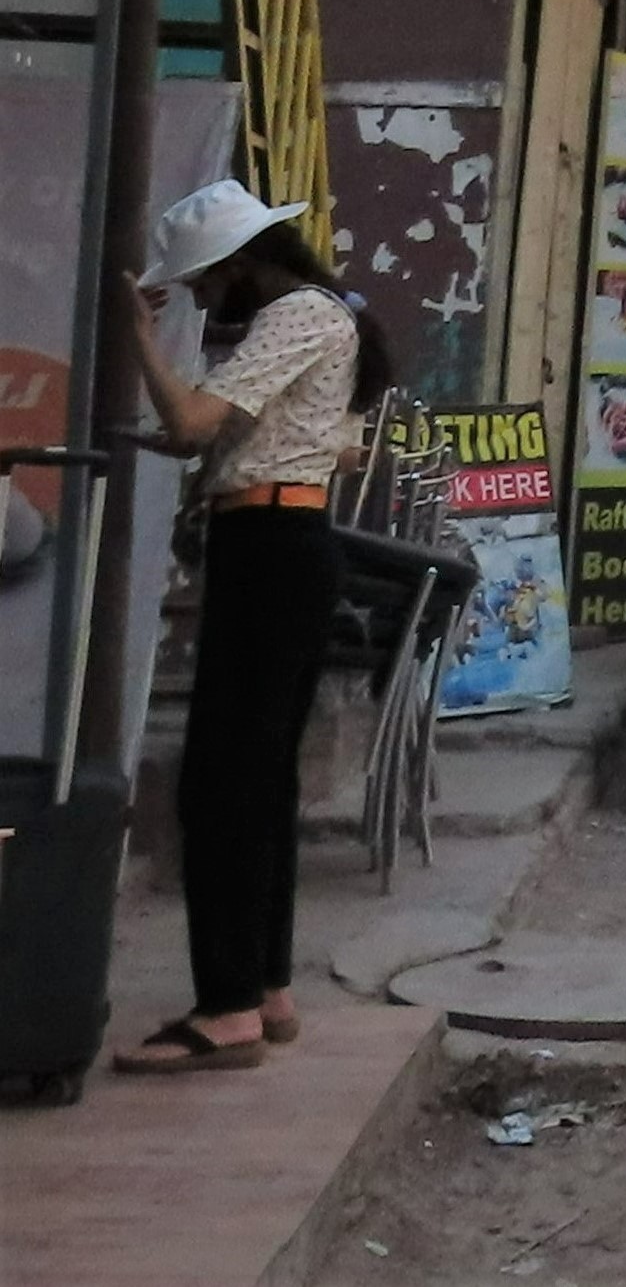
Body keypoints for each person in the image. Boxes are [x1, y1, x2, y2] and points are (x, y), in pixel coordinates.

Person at [108, 181, 393, 1075]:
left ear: (238, 266)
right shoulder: (323, 315)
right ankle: (264, 988)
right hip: (281, 541)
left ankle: (227, 1005)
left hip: (269, 549)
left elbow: (195, 424)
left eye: (200, 282)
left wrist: (139, 338)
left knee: (220, 786)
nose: (196, 297)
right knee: (258, 782)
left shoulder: (297, 317)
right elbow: (310, 442)